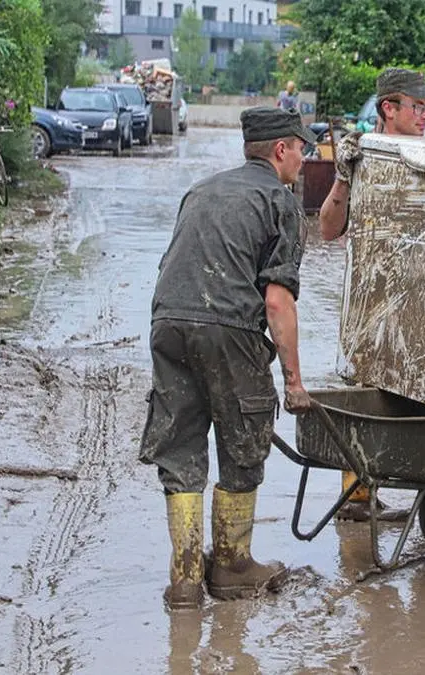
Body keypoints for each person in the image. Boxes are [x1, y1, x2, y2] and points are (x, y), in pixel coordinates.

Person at [140, 106, 316, 610]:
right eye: (301, 148)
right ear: (280, 150)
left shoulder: (202, 189)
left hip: (167, 323)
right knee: (243, 442)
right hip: (228, 329)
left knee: (180, 446)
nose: (304, 159)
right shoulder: (279, 202)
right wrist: (294, 382)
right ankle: (234, 566)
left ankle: (185, 580)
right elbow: (278, 301)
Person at [317, 67, 425, 522]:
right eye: (418, 106)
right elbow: (327, 229)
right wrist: (344, 177)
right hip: (368, 302)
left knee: (417, 398)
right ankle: (358, 498)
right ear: (390, 108)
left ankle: (413, 488)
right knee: (365, 396)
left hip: (418, 301)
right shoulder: (362, 156)